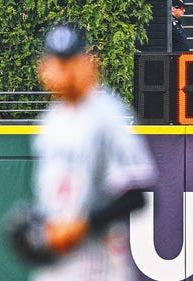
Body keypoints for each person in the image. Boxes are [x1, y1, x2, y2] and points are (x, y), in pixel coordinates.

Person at [10, 24, 157, 281]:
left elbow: (137, 195)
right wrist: (39, 222)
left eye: (70, 61)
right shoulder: (50, 121)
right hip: (56, 266)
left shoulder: (108, 115)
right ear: (45, 68)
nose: (63, 71)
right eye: (57, 62)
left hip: (98, 265)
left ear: (88, 64)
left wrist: (80, 227)